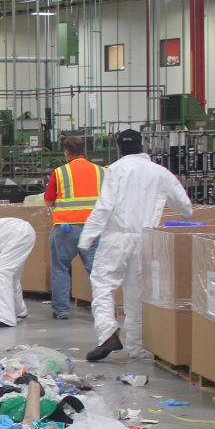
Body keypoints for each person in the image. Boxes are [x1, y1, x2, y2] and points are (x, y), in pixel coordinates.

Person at [80, 129, 192, 361]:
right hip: (145, 239)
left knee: (102, 285)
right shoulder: (161, 173)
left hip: (117, 237)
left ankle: (107, 333)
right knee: (136, 294)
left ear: (119, 148)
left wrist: (86, 237)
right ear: (142, 146)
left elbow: (104, 207)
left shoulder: (116, 170)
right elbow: (186, 208)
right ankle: (139, 348)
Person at [44, 136, 104, 320]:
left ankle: (62, 311)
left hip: (66, 228)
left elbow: (48, 202)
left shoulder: (60, 172)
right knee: (97, 270)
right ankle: (103, 310)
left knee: (61, 268)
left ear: (67, 152)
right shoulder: (101, 171)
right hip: (94, 228)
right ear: (83, 151)